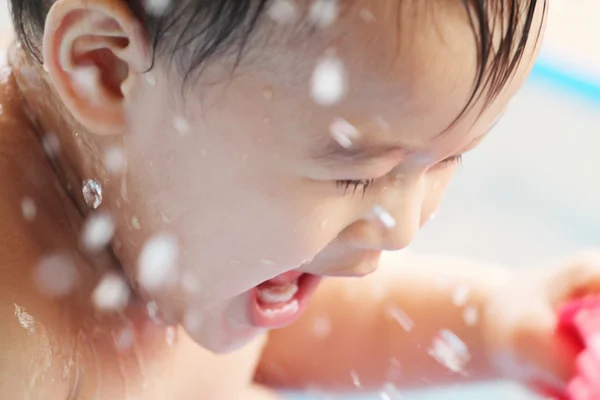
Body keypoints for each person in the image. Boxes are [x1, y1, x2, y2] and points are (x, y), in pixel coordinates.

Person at [1, 0, 596, 398]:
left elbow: (288, 336)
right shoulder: (19, 347)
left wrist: (491, 324)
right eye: (357, 177)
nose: (403, 225)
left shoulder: (200, 243)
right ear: (105, 68)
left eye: (448, 160)